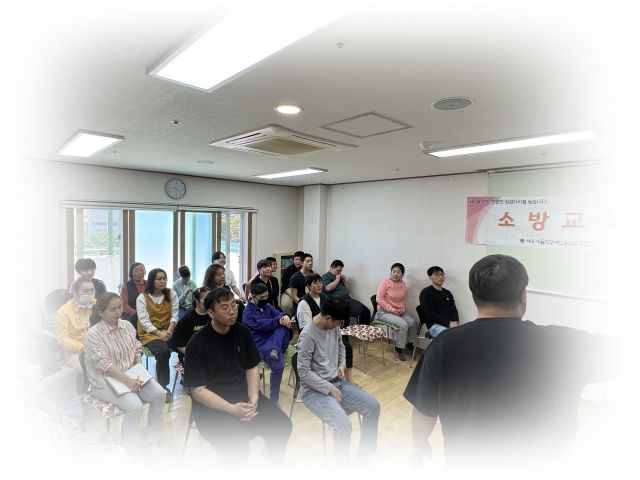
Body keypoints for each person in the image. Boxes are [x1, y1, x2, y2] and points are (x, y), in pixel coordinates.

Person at [404, 254, 613, 476]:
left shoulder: (444, 345)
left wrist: (419, 445)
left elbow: (424, 409)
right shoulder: (566, 344)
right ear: (523, 295)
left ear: (474, 297)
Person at [183, 287, 292, 464]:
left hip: (243, 397)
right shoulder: (197, 344)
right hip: (213, 409)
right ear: (211, 313)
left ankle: (273, 464)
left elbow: (252, 368)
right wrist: (231, 409)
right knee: (237, 449)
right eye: (224, 307)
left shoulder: (242, 331)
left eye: (234, 305)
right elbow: (198, 391)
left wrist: (254, 398)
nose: (232, 311)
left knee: (282, 426)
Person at [297, 296, 380, 462]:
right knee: (343, 426)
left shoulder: (333, 326)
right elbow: (303, 372)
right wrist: (329, 388)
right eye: (338, 322)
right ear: (328, 317)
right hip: (314, 391)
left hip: (337, 382)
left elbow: (341, 347)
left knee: (373, 407)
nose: (339, 325)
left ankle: (365, 455)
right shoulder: (308, 335)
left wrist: (341, 364)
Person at [84, 292, 165, 451]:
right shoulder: (93, 334)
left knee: (159, 394)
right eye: (112, 309)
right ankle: (128, 447)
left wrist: (138, 369)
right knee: (134, 406)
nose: (118, 312)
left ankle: (152, 439)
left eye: (120, 307)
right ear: (101, 313)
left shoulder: (127, 325)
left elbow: (136, 347)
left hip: (130, 374)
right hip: (103, 381)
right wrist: (128, 381)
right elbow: (105, 365)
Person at [299, 274, 355, 383]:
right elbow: (306, 325)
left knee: (346, 346)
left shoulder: (324, 297)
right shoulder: (304, 303)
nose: (319, 285)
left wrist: (341, 364)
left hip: (327, 330)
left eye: (320, 282)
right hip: (316, 334)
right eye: (315, 283)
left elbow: (339, 344)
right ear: (308, 286)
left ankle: (348, 377)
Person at [242, 283, 292, 405]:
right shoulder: (247, 312)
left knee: (283, 325)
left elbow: (279, 314)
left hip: (276, 342)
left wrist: (285, 317)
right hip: (260, 344)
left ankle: (274, 348)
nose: (265, 299)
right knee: (278, 366)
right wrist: (278, 321)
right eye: (262, 297)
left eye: (266, 296)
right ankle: (274, 400)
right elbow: (260, 325)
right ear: (253, 296)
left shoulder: (268, 306)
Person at [136, 268, 178, 401]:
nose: (162, 281)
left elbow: (175, 315)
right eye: (159, 279)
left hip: (168, 330)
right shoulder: (142, 297)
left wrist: (169, 331)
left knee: (187, 344)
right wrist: (159, 333)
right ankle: (163, 386)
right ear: (152, 281)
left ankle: (190, 379)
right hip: (149, 333)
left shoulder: (171, 293)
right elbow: (144, 321)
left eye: (164, 278)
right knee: (163, 351)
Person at [375, 262, 418, 361]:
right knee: (403, 324)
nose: (395, 274)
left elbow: (401, 300)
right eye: (393, 271)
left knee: (413, 323)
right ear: (390, 272)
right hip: (384, 312)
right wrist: (393, 310)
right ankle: (399, 348)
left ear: (402, 274)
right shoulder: (385, 282)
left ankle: (409, 344)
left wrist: (402, 309)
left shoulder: (403, 284)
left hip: (398, 311)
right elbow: (379, 299)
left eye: (398, 272)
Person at [55, 278, 95, 373]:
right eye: (85, 291)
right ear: (75, 293)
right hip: (75, 351)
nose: (90, 294)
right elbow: (62, 338)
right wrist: (81, 348)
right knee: (91, 368)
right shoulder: (63, 311)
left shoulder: (96, 304)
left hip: (96, 346)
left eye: (92, 290)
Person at [322, 259, 371, 325]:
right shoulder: (325, 276)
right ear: (332, 268)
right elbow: (328, 288)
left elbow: (348, 290)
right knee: (357, 312)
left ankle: (363, 330)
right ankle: (348, 330)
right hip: (336, 302)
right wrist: (337, 280)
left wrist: (345, 281)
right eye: (338, 271)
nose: (339, 273)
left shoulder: (339, 277)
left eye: (341, 271)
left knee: (366, 311)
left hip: (347, 299)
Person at [171, 286, 210, 365]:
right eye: (206, 300)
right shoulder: (186, 320)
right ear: (197, 301)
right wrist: (195, 354)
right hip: (192, 355)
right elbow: (178, 344)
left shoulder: (214, 316)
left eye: (211, 299)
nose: (210, 302)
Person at [418, 266, 459, 338]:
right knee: (451, 337)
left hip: (450, 324)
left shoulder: (447, 293)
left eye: (442, 274)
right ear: (430, 277)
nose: (440, 277)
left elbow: (453, 310)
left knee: (464, 335)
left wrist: (456, 322)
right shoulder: (426, 292)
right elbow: (429, 313)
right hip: (434, 325)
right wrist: (448, 324)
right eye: (437, 274)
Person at [280, 250, 304, 316]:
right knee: (285, 304)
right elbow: (285, 285)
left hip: (302, 292)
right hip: (289, 292)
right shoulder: (288, 270)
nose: (297, 261)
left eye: (299, 260)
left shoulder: (307, 270)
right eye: (296, 259)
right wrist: (293, 296)